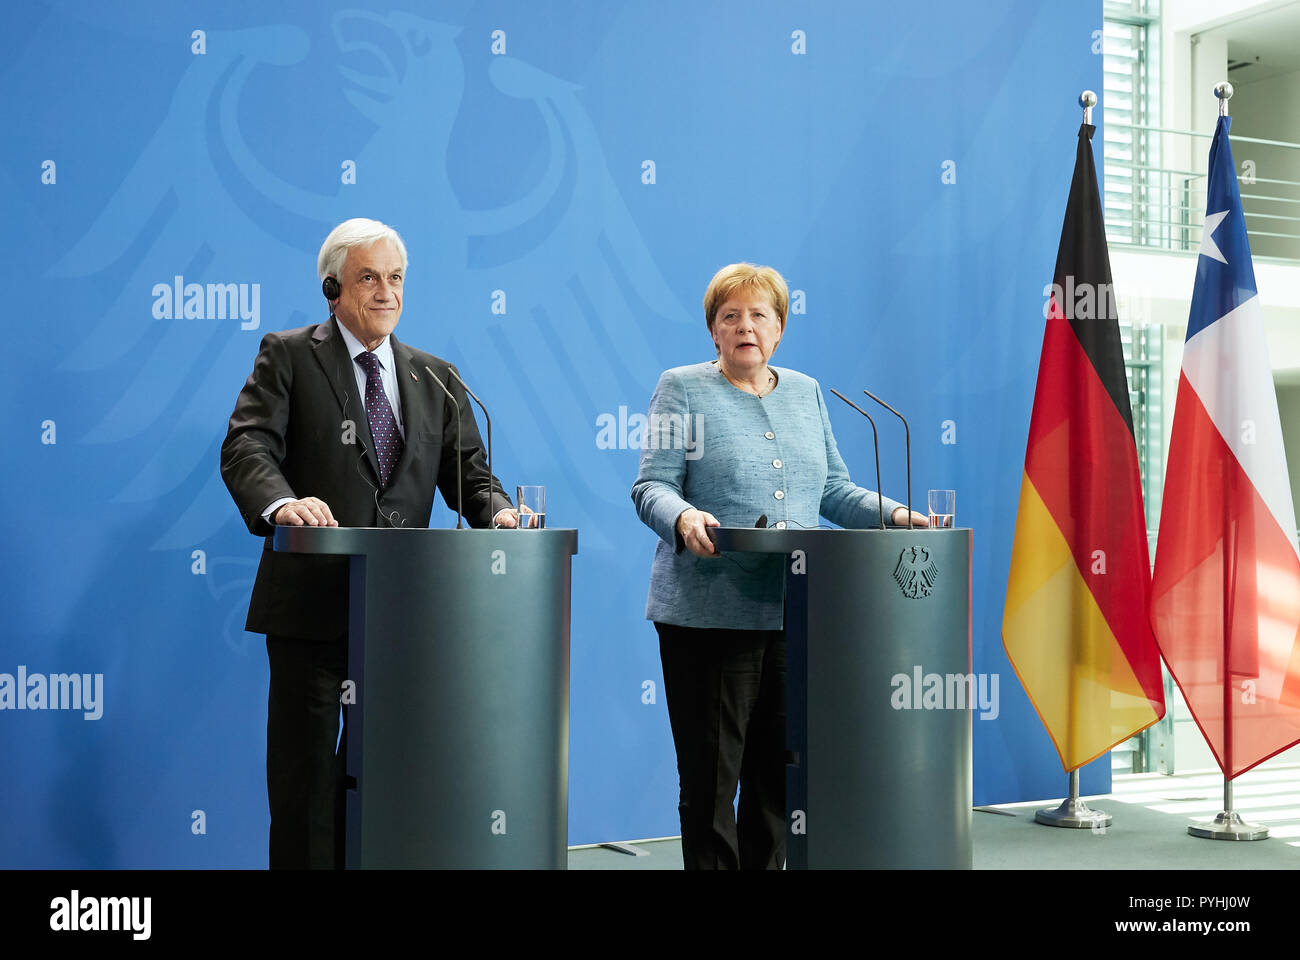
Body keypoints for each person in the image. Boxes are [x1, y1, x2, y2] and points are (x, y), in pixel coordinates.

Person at [220, 217, 517, 869]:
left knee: (389, 786)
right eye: (368, 278)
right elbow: (247, 446)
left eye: (396, 279)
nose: (386, 292)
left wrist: (497, 514)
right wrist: (281, 503)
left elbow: (471, 473)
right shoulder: (290, 354)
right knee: (305, 791)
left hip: (403, 618)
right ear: (332, 286)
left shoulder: (435, 376)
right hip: (312, 611)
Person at [630, 262, 926, 870]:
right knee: (713, 783)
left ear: (780, 328)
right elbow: (651, 487)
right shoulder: (679, 388)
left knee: (776, 780)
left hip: (795, 612)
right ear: (712, 330)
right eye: (730, 315)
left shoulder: (806, 392)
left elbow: (835, 492)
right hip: (708, 615)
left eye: (759, 314)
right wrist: (685, 520)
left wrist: (897, 516)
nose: (745, 326)